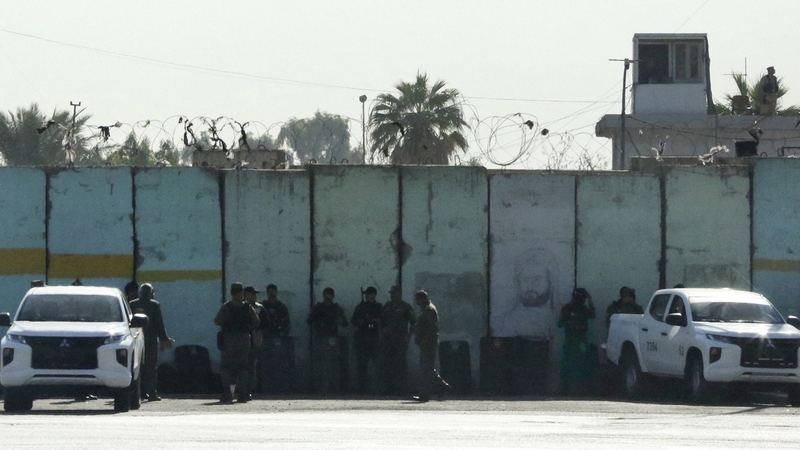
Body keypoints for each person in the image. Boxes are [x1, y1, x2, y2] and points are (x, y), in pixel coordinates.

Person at [214, 282, 260, 403]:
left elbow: (217, 321)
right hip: (244, 339)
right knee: (243, 367)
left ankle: (228, 393)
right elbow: (256, 321)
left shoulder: (226, 306)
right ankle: (243, 394)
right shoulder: (247, 307)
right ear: (241, 293)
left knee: (225, 367)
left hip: (228, 339)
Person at [129, 283, 174, 401]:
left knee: (138, 366)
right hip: (150, 340)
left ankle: (141, 392)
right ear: (151, 293)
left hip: (135, 339)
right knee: (151, 368)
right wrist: (164, 339)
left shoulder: (132, 304)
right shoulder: (154, 305)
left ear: (140, 293)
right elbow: (159, 324)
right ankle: (152, 393)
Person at [306, 287, 348, 395]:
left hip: (332, 339)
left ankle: (334, 388)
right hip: (320, 338)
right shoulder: (318, 308)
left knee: (334, 365)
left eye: (329, 295)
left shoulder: (336, 308)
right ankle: (321, 389)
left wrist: (336, 319)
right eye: (325, 294)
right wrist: (319, 319)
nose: (327, 297)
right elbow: (309, 321)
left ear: (332, 296)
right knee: (321, 365)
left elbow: (344, 322)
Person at [412, 290, 450, 403]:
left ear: (423, 298)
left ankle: (426, 394)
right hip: (425, 343)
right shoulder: (425, 309)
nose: (417, 302)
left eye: (418, 300)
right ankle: (441, 387)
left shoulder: (429, 310)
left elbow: (431, 329)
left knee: (426, 369)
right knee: (427, 368)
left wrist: (424, 341)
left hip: (428, 343)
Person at [557, 287, 596, 395]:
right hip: (570, 340)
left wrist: (590, 301)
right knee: (567, 364)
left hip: (582, 340)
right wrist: (570, 322)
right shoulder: (567, 308)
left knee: (584, 364)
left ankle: (585, 389)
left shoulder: (583, 309)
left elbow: (592, 315)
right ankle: (564, 389)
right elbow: (560, 323)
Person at [380, 285, 416, 395]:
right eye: (391, 293)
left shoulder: (406, 307)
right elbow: (381, 321)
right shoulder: (387, 306)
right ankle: (389, 387)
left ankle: (401, 388)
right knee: (388, 364)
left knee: (400, 365)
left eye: (394, 293)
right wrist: (382, 332)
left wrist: (408, 337)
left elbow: (413, 322)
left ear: (399, 294)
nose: (392, 295)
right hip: (388, 340)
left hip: (400, 339)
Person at [351, 286, 383, 393]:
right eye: (366, 295)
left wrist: (375, 321)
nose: (367, 296)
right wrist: (360, 321)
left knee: (378, 365)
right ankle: (362, 388)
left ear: (373, 295)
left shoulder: (378, 307)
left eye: (369, 294)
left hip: (374, 338)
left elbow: (383, 321)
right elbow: (353, 321)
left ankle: (379, 388)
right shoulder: (360, 307)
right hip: (362, 338)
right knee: (362, 365)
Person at [243, 285, 268, 397]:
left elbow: (266, 324)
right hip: (241, 342)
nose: (254, 296)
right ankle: (239, 390)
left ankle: (250, 389)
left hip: (255, 341)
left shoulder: (260, 308)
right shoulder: (239, 307)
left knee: (252, 367)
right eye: (251, 294)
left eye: (254, 294)